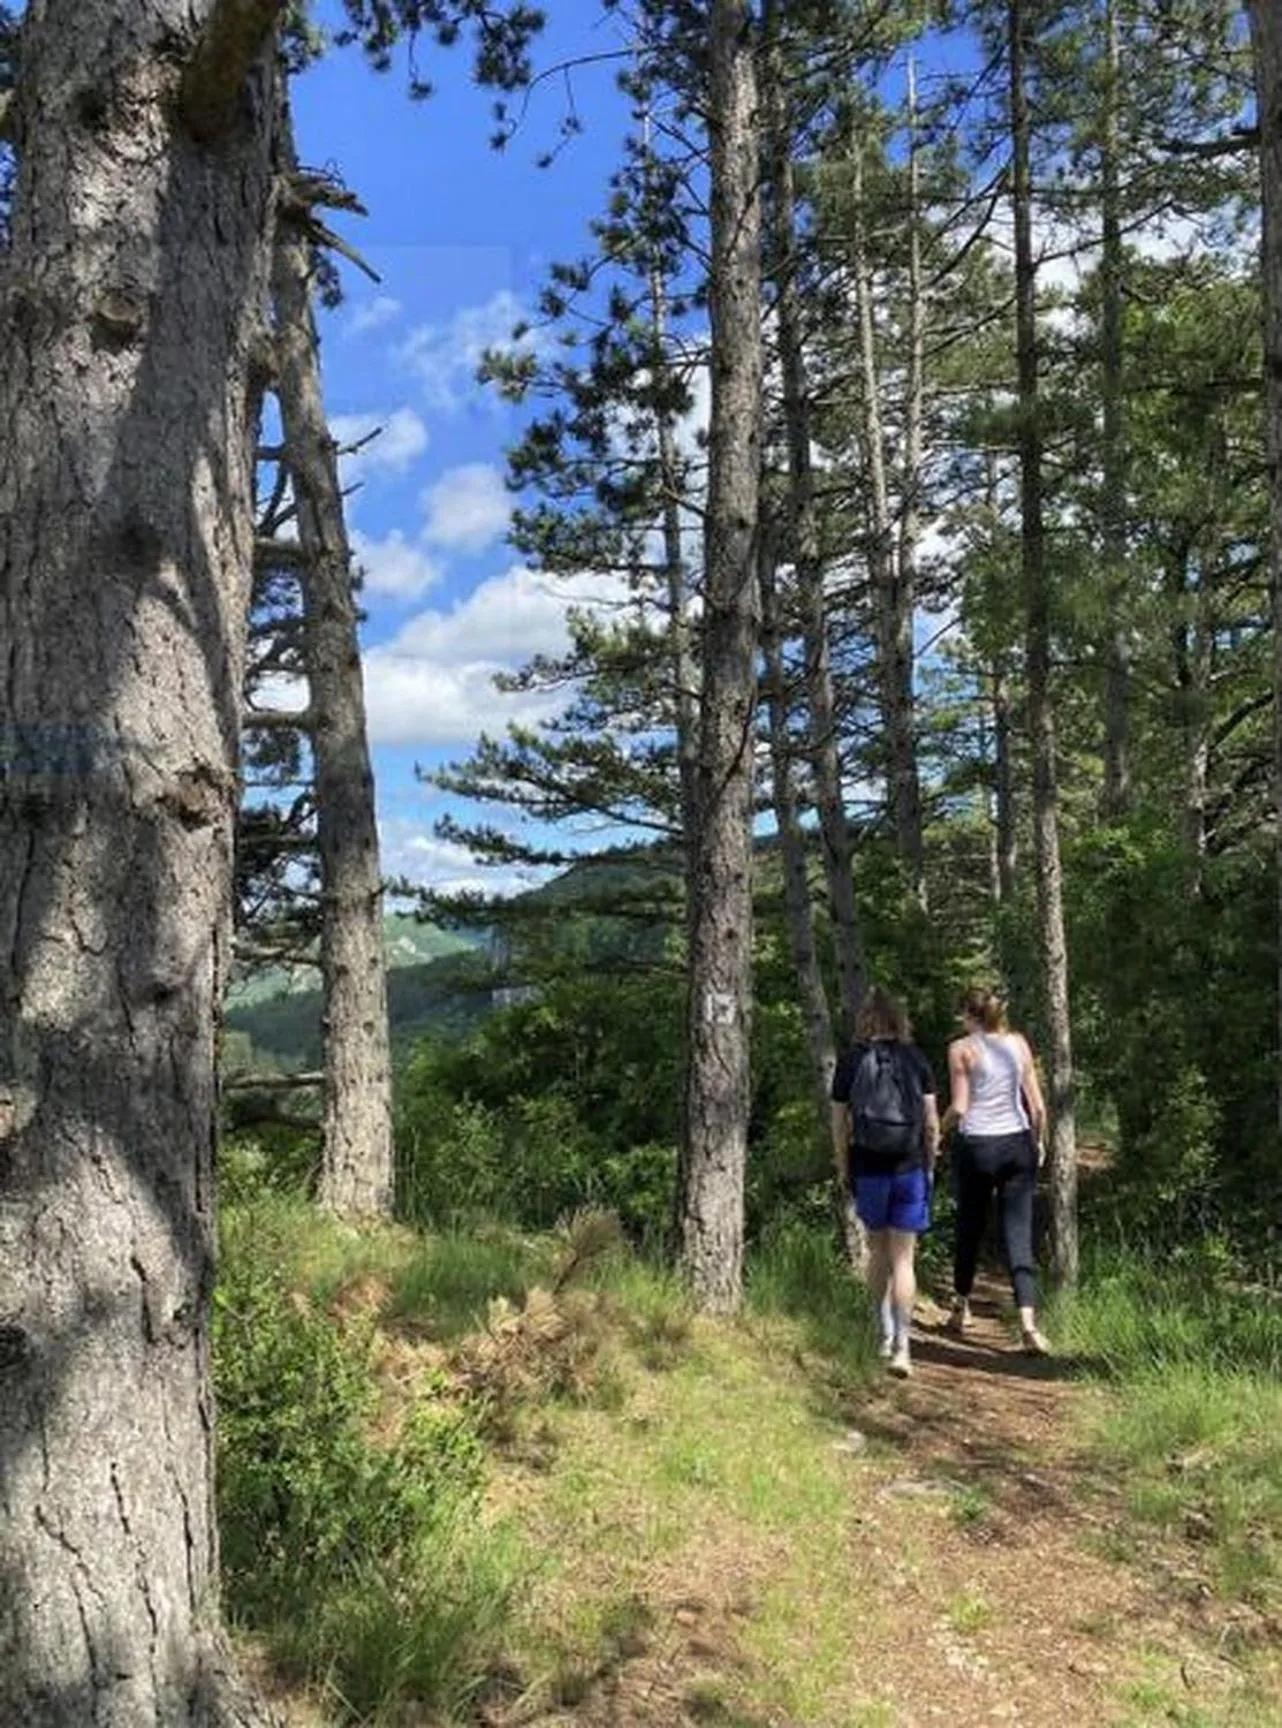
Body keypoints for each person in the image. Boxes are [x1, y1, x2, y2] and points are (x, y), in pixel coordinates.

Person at [831, 988, 940, 1378]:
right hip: (908, 1166)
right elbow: (930, 1122)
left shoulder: (850, 1061)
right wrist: (930, 1163)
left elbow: (839, 1123)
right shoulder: (916, 1059)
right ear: (899, 1021)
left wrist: (844, 1167)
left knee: (876, 1250)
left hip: (868, 1166)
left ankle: (883, 1332)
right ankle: (904, 1348)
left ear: (865, 1021)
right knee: (904, 1258)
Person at [941, 985, 1050, 1355]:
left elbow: (959, 1107)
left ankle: (960, 1306)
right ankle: (1028, 1325)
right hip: (1016, 1144)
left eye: (962, 1014)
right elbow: (1037, 1108)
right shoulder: (1018, 1044)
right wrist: (1038, 1143)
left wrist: (937, 1132)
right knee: (1018, 1236)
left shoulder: (960, 1049)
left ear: (970, 1016)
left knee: (969, 1226)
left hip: (977, 1145)